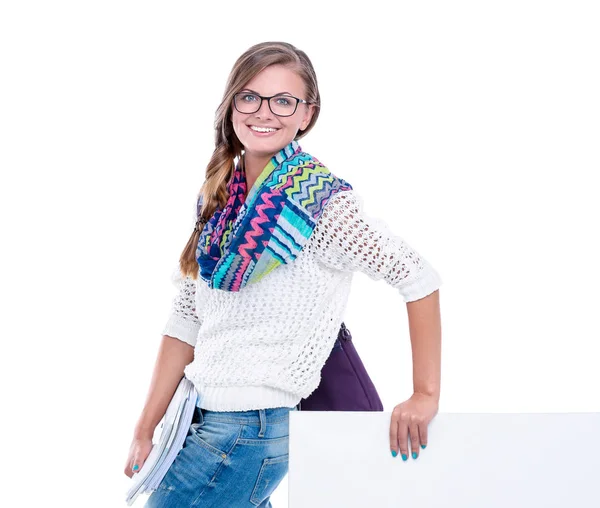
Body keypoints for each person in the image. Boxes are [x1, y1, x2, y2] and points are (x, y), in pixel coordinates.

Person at [124, 41, 443, 507]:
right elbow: (186, 320)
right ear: (232, 104)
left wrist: (424, 394)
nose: (264, 112)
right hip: (198, 416)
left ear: (306, 115)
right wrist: (145, 427)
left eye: (283, 101)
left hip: (249, 429)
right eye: (250, 97)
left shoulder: (322, 204)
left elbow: (418, 277)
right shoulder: (218, 202)